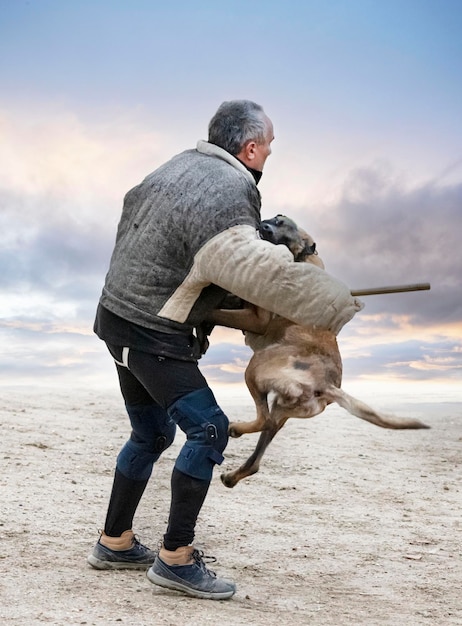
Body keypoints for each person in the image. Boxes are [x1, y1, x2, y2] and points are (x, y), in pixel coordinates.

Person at [87, 100, 362, 600]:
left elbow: (186, 248)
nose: (269, 155)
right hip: (154, 332)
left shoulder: (176, 166)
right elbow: (242, 262)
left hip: (117, 317)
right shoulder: (232, 189)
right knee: (209, 428)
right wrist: (319, 290)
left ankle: (115, 542)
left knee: (150, 435)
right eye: (269, 147)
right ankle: (175, 559)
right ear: (251, 148)